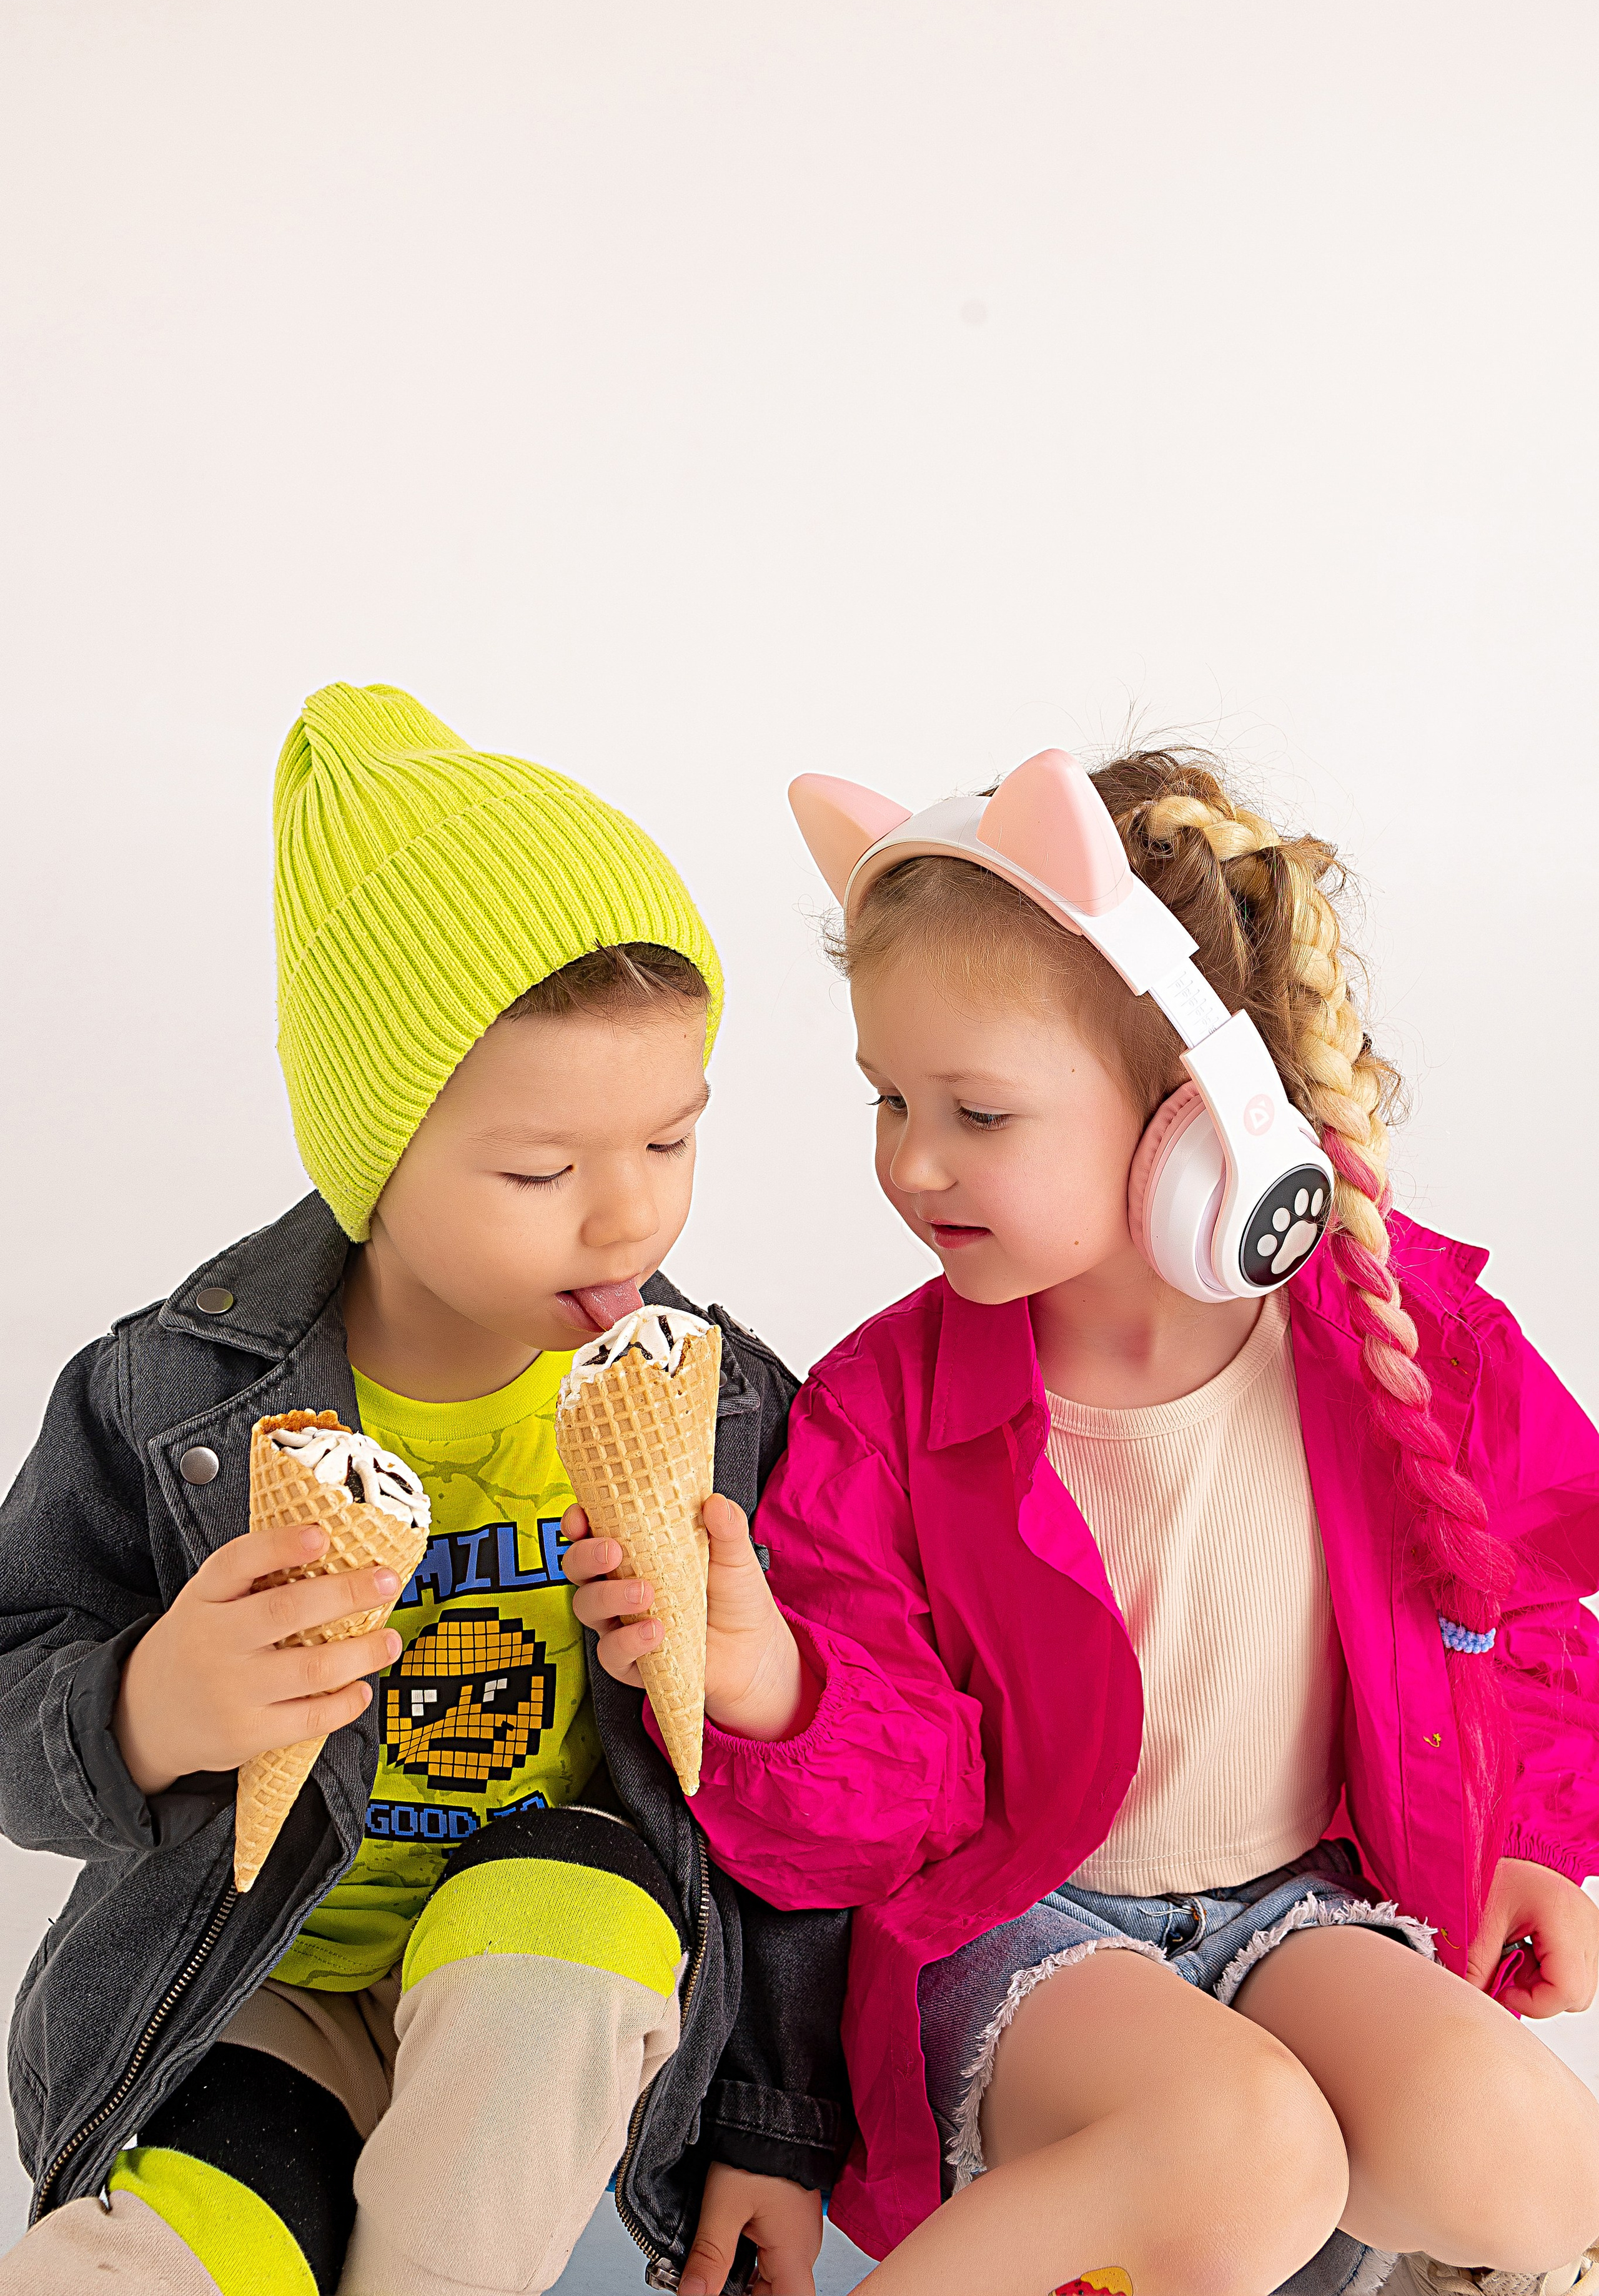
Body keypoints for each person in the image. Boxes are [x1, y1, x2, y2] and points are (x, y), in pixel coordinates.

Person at [568, 745, 1599, 2296]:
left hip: (1294, 1908)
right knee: (1248, 2154)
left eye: (977, 1111)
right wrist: (770, 1686)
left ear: (1199, 1123)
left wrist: (1527, 1839)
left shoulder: (1401, 1330)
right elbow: (895, 1808)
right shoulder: (880, 1409)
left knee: (1527, 2165)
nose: (911, 1162)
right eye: (889, 1100)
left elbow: (1507, 1597)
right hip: (1018, 1927)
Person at [0, 685, 849, 2296]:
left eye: (670, 1145)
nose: (625, 1226)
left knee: (563, 1941)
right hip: (254, 1994)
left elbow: (796, 1828)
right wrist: (142, 1710)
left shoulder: (728, 1409)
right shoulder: (168, 1400)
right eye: (541, 1173)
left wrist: (773, 2122)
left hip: (549, 1974)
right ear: (370, 1153)